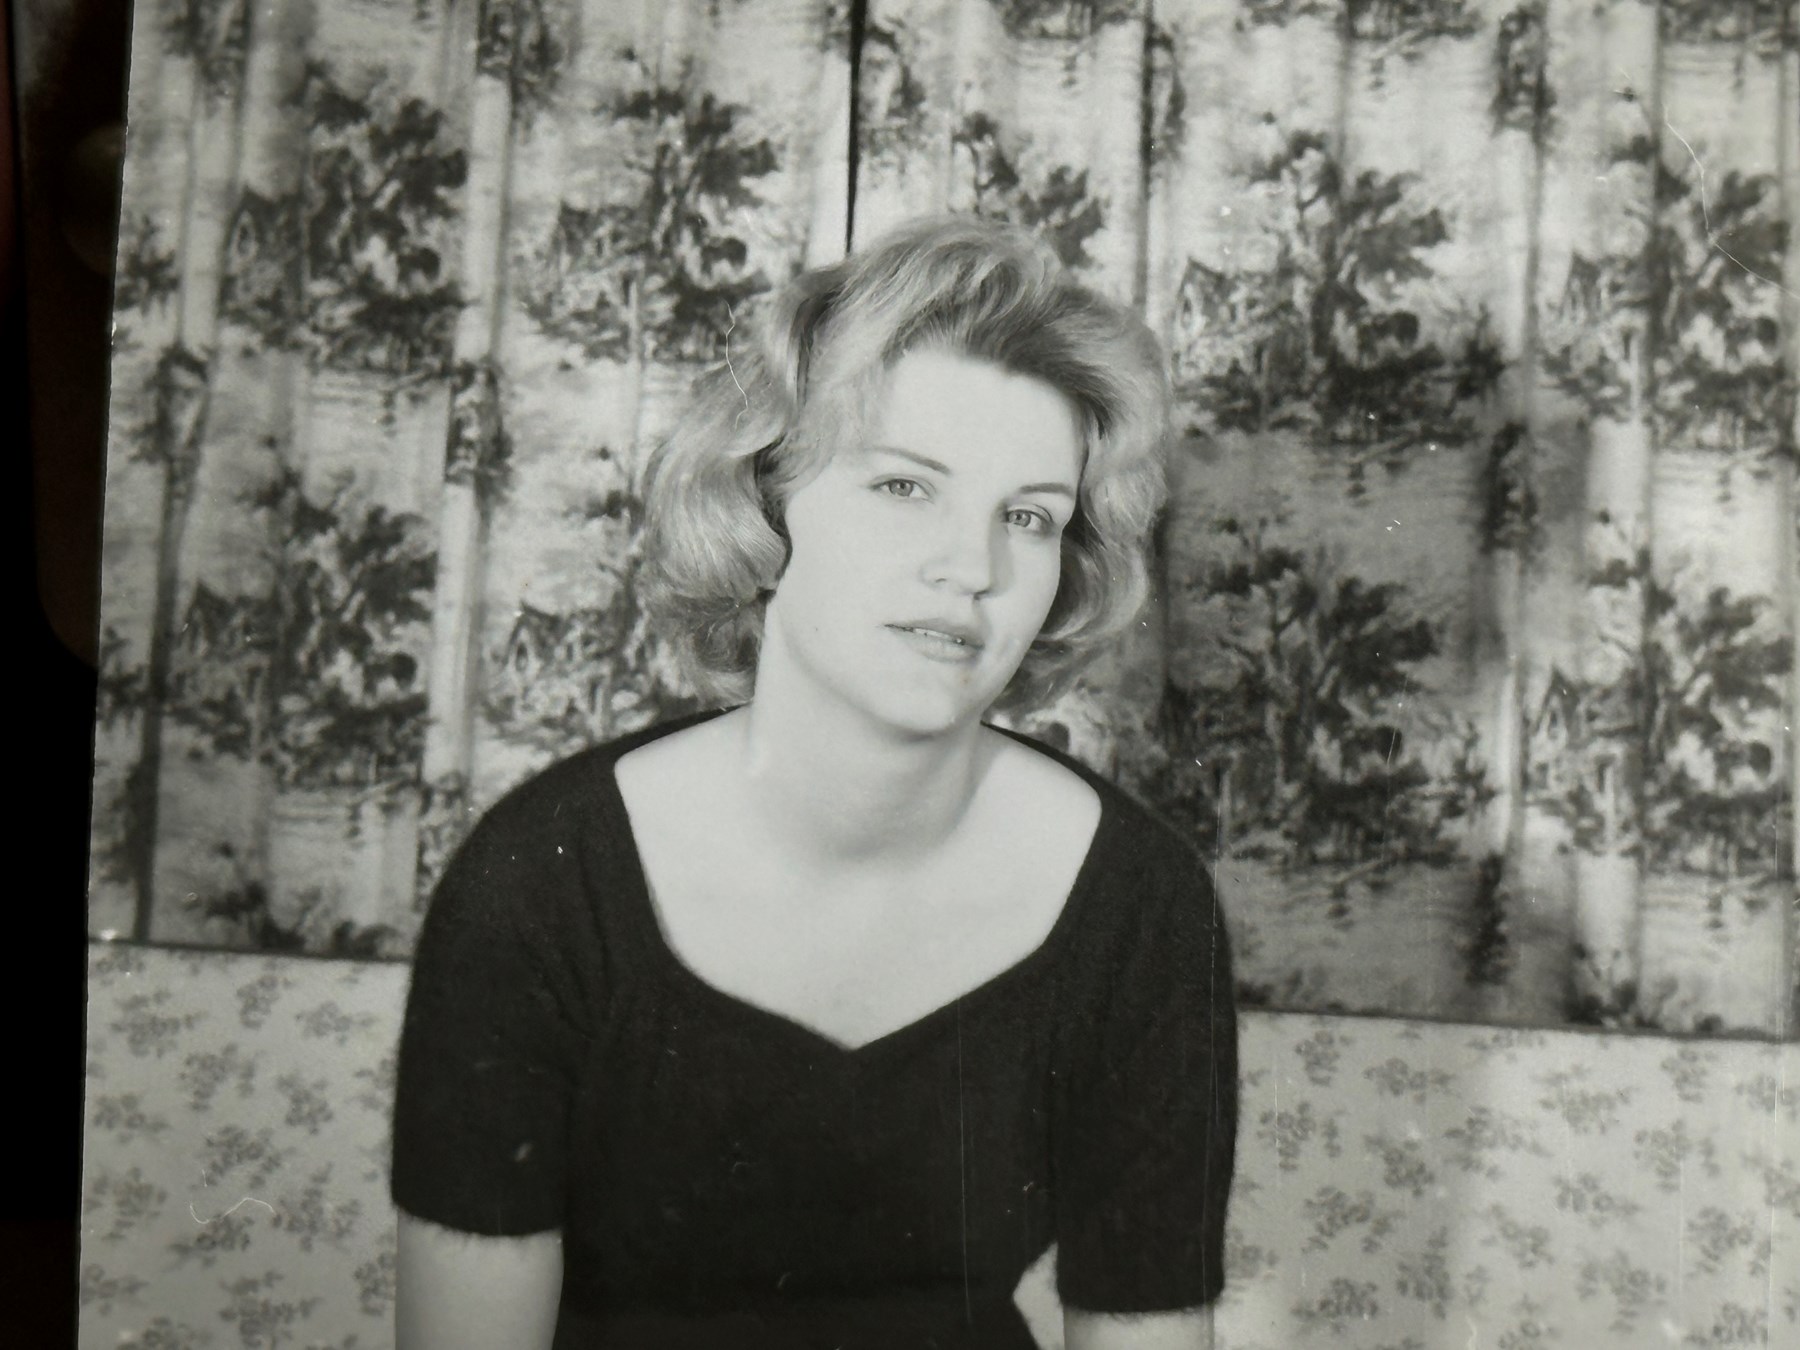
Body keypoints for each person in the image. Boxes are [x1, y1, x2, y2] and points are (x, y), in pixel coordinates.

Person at [390, 215, 1238, 1350]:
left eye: (1029, 516)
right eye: (905, 487)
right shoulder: (540, 883)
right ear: (764, 502)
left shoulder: (1141, 905)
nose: (972, 568)